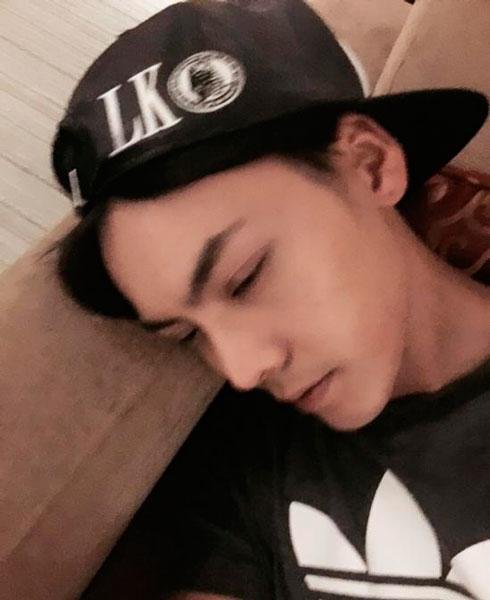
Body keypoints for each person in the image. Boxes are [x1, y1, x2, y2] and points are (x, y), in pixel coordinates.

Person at [49, 0, 490, 598]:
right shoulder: (249, 473)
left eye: (246, 277)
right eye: (188, 333)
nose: (241, 369)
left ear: (368, 165)